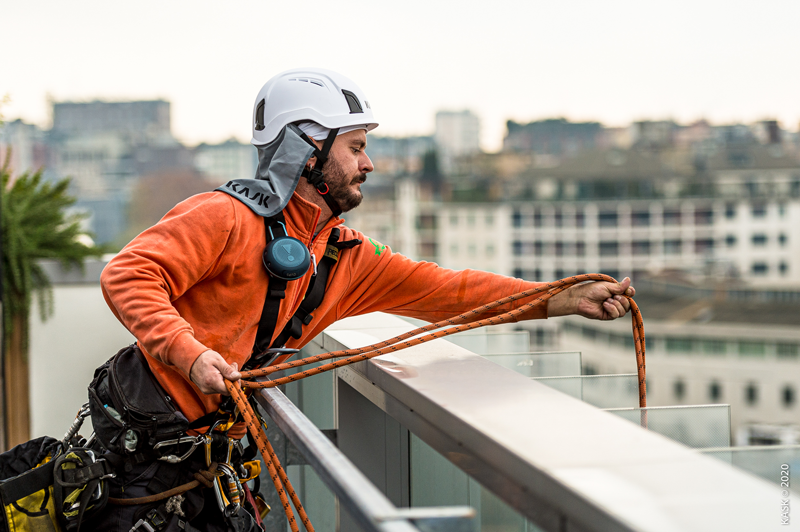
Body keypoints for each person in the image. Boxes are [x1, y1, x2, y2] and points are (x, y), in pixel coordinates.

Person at [96, 67, 635, 531]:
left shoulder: (344, 257)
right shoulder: (225, 217)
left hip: (212, 461)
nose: (368, 163)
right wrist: (188, 354)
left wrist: (563, 298)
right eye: (355, 147)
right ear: (304, 149)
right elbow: (129, 273)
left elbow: (451, 291)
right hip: (146, 458)